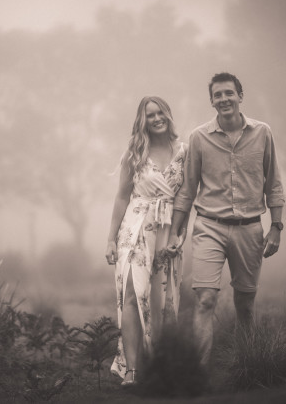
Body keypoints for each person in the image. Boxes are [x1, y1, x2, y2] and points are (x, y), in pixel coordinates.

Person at [166, 72, 285, 367]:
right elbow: (187, 190)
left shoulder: (263, 133)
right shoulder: (199, 138)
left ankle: (249, 366)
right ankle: (199, 374)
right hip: (209, 227)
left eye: (229, 93)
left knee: (245, 304)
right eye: (217, 95)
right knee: (205, 300)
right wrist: (175, 233)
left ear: (240, 96)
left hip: (250, 229)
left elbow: (274, 183)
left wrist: (276, 227)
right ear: (211, 101)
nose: (224, 99)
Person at [105, 96, 188, 386]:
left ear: (168, 114)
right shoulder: (135, 152)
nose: (156, 118)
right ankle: (132, 370)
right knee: (132, 293)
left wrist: (179, 233)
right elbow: (121, 197)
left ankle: (160, 367)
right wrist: (111, 239)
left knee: (163, 301)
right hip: (136, 227)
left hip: (168, 231)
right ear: (143, 120)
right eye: (150, 115)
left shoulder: (185, 152)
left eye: (160, 112)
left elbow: (186, 198)